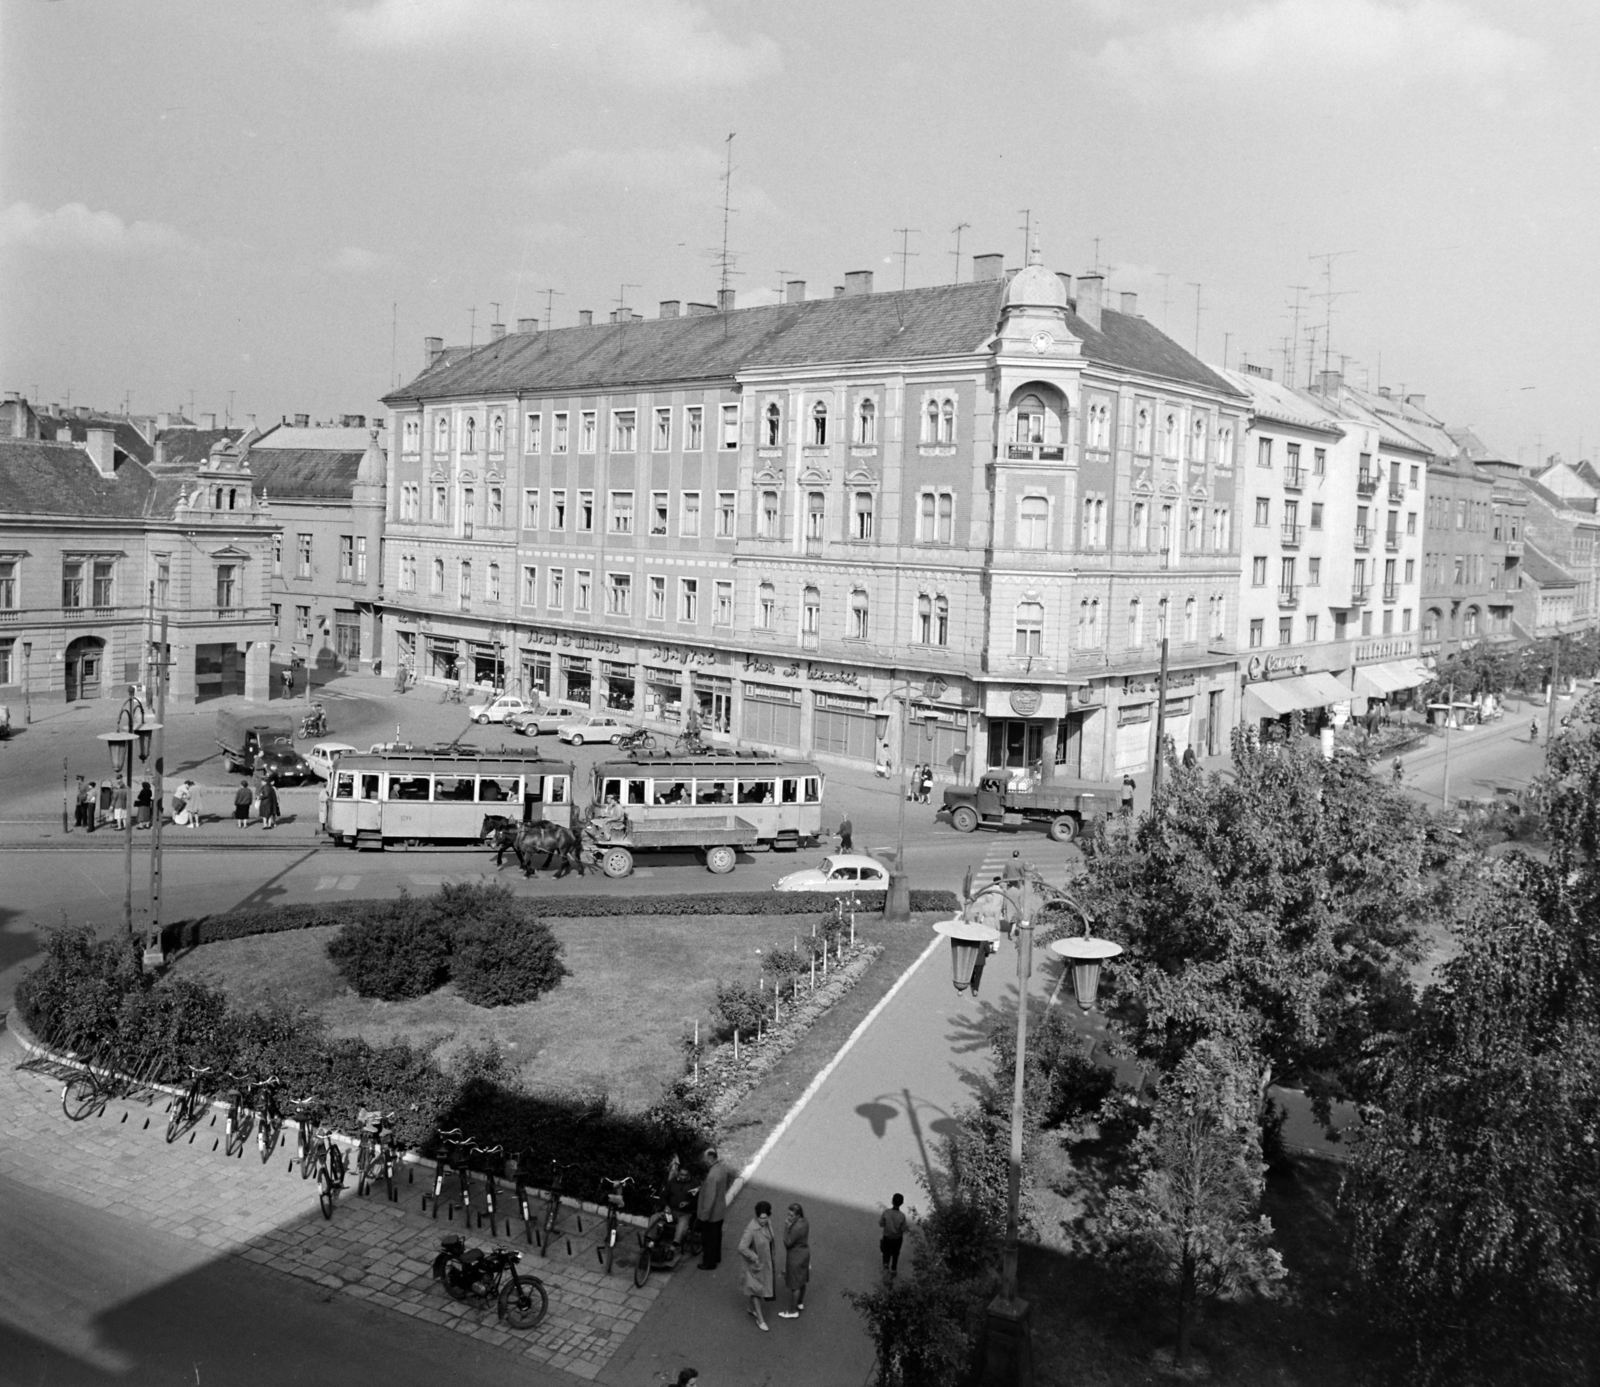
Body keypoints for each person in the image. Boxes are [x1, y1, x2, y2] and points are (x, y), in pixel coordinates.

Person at [738, 1201, 777, 1331]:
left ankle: (751, 1308)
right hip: (754, 1265)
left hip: (765, 1262)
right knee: (756, 1289)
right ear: (756, 1216)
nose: (763, 1221)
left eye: (765, 1218)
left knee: (757, 1288)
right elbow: (742, 1247)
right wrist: (755, 1258)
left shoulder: (768, 1224)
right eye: (761, 1218)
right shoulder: (751, 1229)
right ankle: (760, 1319)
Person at [696, 1147, 732, 1270]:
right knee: (717, 1237)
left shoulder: (712, 1176)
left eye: (705, 1159)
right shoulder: (721, 1168)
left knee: (708, 1240)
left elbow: (709, 1199)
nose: (704, 1161)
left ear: (711, 1158)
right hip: (719, 1211)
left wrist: (704, 1216)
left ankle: (709, 1262)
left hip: (711, 1214)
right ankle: (717, 1256)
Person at [778, 1202, 810, 1318]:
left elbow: (787, 1243)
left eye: (791, 1215)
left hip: (795, 1257)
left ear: (797, 1215)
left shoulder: (795, 1228)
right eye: (788, 1214)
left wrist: (787, 1227)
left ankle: (792, 1311)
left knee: (795, 1285)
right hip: (804, 1254)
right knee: (802, 1280)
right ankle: (800, 1303)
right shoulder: (805, 1222)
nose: (788, 1217)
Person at [665, 1153, 694, 1249]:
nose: (683, 1177)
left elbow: (698, 1201)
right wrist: (666, 1206)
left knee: (681, 1228)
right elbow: (663, 1196)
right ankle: (650, 1240)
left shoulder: (694, 1184)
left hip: (684, 1214)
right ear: (678, 1173)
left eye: (686, 1175)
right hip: (671, 1211)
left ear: (689, 1174)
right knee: (655, 1218)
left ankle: (673, 1247)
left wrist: (688, 1203)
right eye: (681, 1174)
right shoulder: (672, 1182)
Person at [879, 1193, 908, 1275]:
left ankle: (886, 1267)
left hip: (887, 1237)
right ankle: (893, 1269)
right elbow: (903, 1229)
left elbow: (881, 1224)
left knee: (886, 1253)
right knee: (896, 1253)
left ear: (892, 1201)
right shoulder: (902, 1216)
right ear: (902, 1203)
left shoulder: (886, 1213)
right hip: (897, 1239)